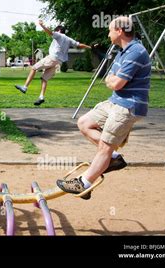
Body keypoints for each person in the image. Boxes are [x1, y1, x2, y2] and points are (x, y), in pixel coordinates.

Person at [57, 16, 151, 200]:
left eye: (110, 30)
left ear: (120, 31)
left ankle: (83, 183)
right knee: (84, 123)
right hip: (115, 101)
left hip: (128, 105)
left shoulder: (136, 51)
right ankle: (113, 158)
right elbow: (111, 78)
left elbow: (116, 82)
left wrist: (113, 81)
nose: (108, 34)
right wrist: (113, 80)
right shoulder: (122, 52)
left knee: (105, 146)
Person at [15, 20, 91, 105]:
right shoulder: (69, 39)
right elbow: (79, 45)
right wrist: (89, 47)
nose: (55, 32)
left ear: (58, 30)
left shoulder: (59, 35)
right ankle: (41, 97)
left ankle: (25, 87)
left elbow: (50, 33)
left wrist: (42, 25)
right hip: (59, 62)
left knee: (33, 68)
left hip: (52, 58)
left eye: (56, 30)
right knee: (44, 78)